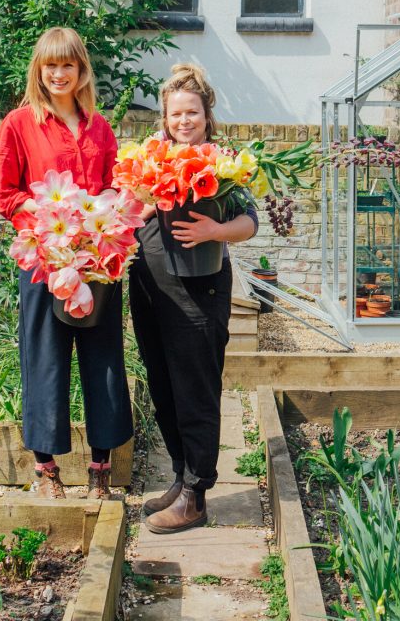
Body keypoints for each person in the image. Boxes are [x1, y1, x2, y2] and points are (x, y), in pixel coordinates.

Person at [0, 27, 133, 499]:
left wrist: (99, 227)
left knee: (104, 361)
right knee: (45, 361)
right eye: (50, 65)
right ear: (39, 70)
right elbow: (5, 195)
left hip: (96, 264)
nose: (58, 74)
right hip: (44, 262)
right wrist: (53, 217)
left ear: (81, 70)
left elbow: (114, 192)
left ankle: (100, 469)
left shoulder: (99, 127)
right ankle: (46, 470)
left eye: (67, 65)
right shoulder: (18, 124)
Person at [129, 63, 258, 534]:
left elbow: (250, 222)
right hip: (149, 288)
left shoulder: (223, 162)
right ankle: (181, 478)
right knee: (162, 385)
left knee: (195, 389)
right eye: (175, 113)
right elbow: (136, 205)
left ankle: (196, 495)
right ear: (164, 117)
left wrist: (215, 229)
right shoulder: (153, 157)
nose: (184, 121)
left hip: (197, 292)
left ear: (207, 114)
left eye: (192, 112)